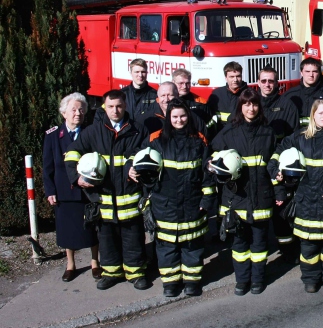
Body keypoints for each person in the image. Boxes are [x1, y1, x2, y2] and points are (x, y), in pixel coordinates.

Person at [65, 90, 149, 290]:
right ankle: (111, 273)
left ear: (125, 106)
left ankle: (136, 274)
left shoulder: (138, 129)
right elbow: (72, 153)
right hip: (104, 200)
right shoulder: (93, 131)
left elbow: (146, 152)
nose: (115, 110)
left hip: (129, 198)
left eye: (119, 106)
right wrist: (77, 178)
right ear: (104, 107)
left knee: (133, 238)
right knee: (107, 239)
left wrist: (136, 166)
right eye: (110, 107)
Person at [269, 99, 323, 293]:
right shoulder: (298, 137)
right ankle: (311, 279)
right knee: (308, 247)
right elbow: (278, 153)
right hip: (306, 199)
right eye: (320, 112)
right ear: (313, 115)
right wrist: (274, 169)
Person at [136, 99, 216, 297]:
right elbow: (141, 164)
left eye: (182, 116)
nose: (179, 120)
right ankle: (170, 283)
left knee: (192, 246)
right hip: (165, 204)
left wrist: (206, 201)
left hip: (192, 203)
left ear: (188, 116)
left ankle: (192, 282)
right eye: (175, 117)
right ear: (168, 118)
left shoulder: (199, 140)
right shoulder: (156, 140)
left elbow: (208, 175)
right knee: (166, 248)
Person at [212, 89, 277, 296]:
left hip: (261, 197)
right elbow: (213, 157)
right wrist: (212, 166)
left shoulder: (268, 133)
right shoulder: (229, 132)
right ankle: (241, 281)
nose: (251, 108)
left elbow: (274, 163)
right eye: (247, 104)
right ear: (240, 107)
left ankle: (257, 280)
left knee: (259, 244)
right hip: (236, 197)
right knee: (239, 244)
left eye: (255, 104)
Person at [43, 93, 100, 282]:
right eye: (74, 110)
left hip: (86, 190)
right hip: (64, 191)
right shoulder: (52, 136)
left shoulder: (89, 133)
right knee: (67, 230)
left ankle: (95, 263)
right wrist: (50, 191)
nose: (78, 113)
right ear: (64, 113)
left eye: (82, 110)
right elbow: (48, 167)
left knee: (91, 227)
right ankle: (70, 264)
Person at [257, 66, 300, 263]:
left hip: (279, 164)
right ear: (258, 82)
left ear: (277, 83)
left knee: (281, 211)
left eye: (271, 81)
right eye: (264, 81)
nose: (267, 84)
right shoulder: (252, 102)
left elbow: (292, 138)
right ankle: (261, 248)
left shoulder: (287, 105)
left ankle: (288, 254)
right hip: (257, 166)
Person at [94, 58, 157, 126]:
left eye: (143, 72)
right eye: (137, 72)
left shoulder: (155, 95)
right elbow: (101, 111)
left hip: (147, 135)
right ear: (131, 73)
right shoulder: (121, 95)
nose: (140, 75)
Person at [283, 57, 323, 127]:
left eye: (314, 71)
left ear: (319, 73)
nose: (311, 75)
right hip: (296, 136)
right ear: (301, 73)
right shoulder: (290, 95)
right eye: (307, 71)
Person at [144, 82, 209, 138]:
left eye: (170, 95)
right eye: (163, 96)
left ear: (177, 96)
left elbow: (204, 141)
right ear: (158, 98)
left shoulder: (194, 119)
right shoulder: (147, 119)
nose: (166, 100)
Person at [172, 68, 214, 134]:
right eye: (181, 83)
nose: (184, 86)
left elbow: (210, 127)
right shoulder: (166, 102)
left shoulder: (201, 103)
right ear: (173, 82)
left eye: (187, 83)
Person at [207, 61, 248, 130]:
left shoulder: (249, 94)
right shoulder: (217, 94)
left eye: (238, 76)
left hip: (243, 133)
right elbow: (209, 118)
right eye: (231, 77)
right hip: (222, 134)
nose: (235, 80)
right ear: (226, 77)